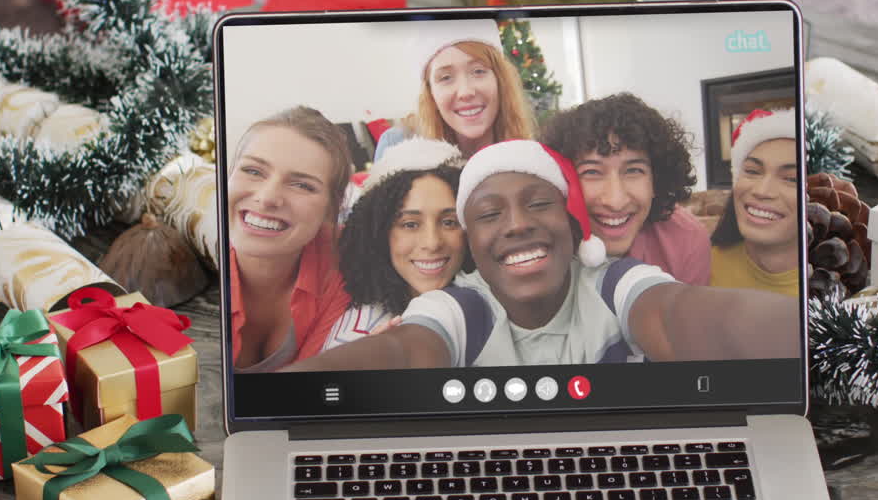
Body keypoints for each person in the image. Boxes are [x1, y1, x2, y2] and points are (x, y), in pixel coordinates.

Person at [283, 139, 799, 372]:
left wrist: (814, 336)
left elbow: (675, 312)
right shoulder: (459, 308)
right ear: (472, 247)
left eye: (537, 205)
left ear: (573, 228)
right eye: (488, 215)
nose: (518, 224)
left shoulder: (613, 281)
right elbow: (410, 350)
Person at [228, 106, 354, 371]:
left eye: (302, 185)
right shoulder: (199, 263)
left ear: (332, 208)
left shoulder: (345, 261)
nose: (267, 197)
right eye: (253, 171)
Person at [541, 92, 711, 284]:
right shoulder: (541, 242)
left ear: (656, 180)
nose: (616, 201)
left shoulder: (686, 240)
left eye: (633, 170)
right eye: (592, 172)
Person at [322, 138, 468, 350]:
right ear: (379, 233)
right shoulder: (359, 341)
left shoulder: (491, 305)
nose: (432, 242)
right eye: (410, 224)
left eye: (449, 222)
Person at [373, 19, 537, 161]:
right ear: (431, 93)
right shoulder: (397, 146)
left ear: (500, 81)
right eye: (445, 78)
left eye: (478, 71)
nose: (465, 92)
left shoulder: (528, 153)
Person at [708, 108, 800, 297]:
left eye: (792, 179)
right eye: (752, 171)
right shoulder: (701, 265)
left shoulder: (835, 293)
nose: (762, 191)